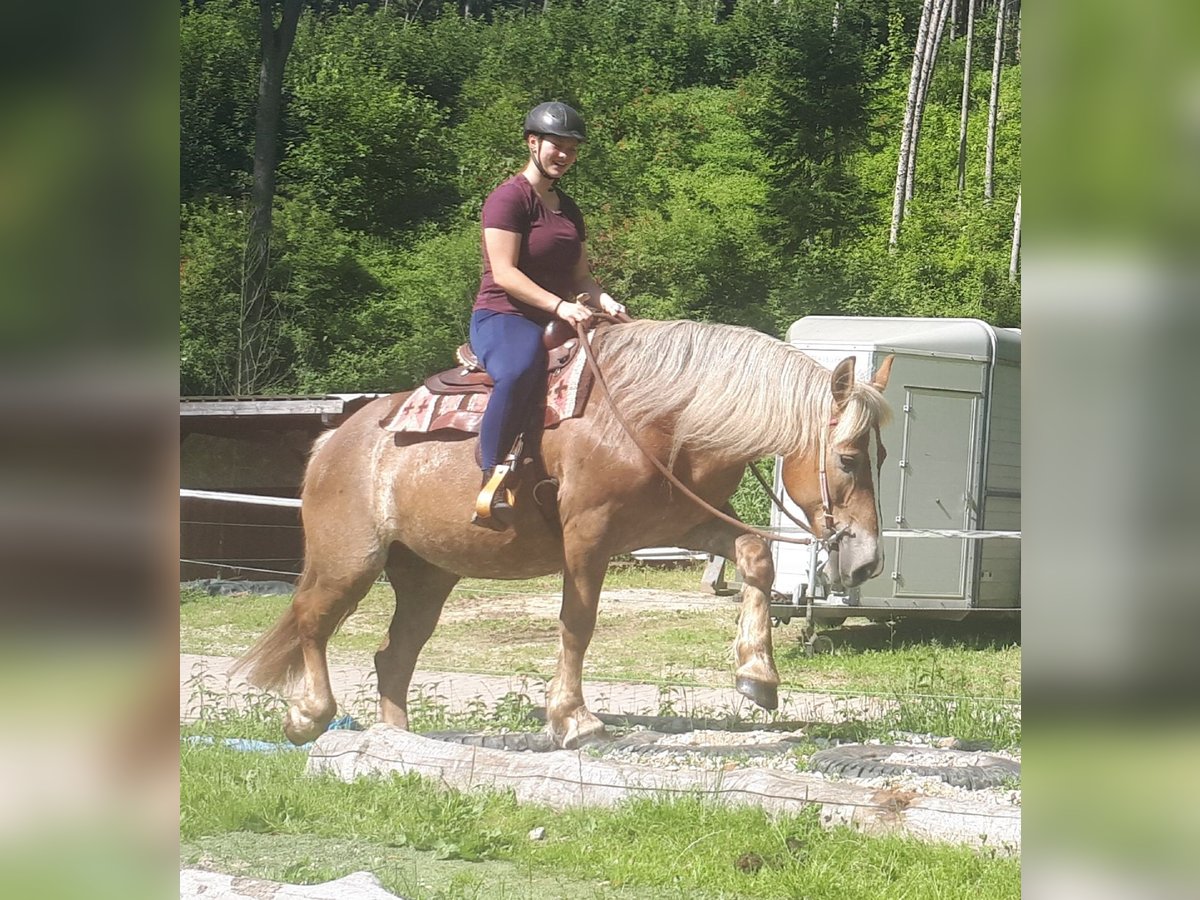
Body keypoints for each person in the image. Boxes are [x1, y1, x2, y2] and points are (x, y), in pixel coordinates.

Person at [469, 101, 626, 526]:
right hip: (505, 316)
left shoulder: (569, 209)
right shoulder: (508, 199)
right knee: (521, 368)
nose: (564, 155)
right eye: (556, 146)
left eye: (572, 149)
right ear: (532, 143)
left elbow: (582, 277)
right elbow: (504, 273)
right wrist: (560, 305)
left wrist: (604, 300)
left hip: (562, 315)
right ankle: (491, 478)